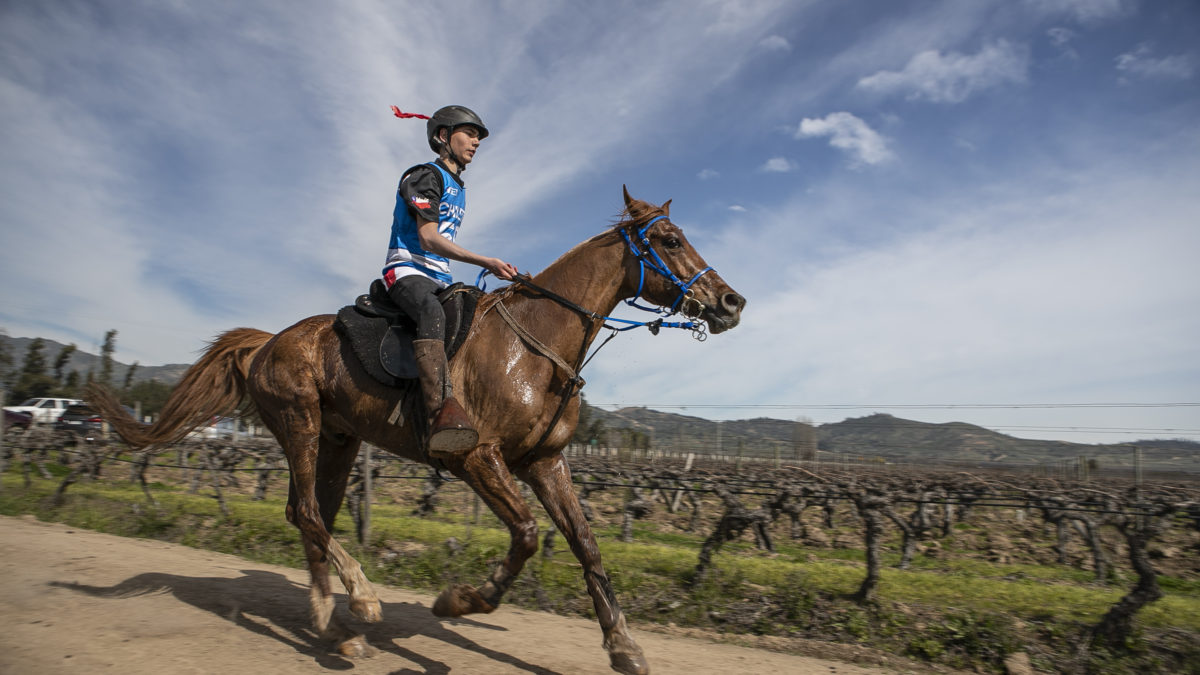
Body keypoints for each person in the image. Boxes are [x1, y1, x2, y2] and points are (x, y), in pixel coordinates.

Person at [382, 105, 517, 460]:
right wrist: (484, 260)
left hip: (440, 277)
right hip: (407, 271)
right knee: (431, 312)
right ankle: (436, 414)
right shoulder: (425, 176)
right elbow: (428, 238)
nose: (476, 141)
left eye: (478, 137)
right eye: (469, 133)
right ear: (443, 136)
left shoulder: (459, 187)